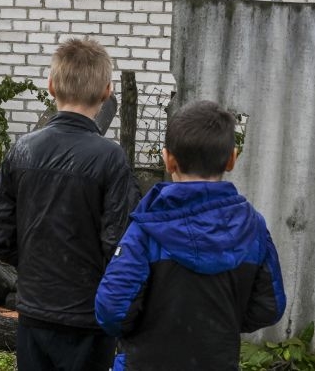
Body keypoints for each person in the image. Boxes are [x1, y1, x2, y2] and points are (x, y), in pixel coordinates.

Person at [0, 37, 140, 371]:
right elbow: (119, 244)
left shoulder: (22, 150)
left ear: (51, 86)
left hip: (35, 310)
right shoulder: (111, 158)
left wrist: (36, 259)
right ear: (107, 91)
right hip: (90, 315)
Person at [95, 100, 286, 371]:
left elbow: (112, 310)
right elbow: (269, 306)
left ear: (168, 159)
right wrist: (219, 323)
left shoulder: (146, 230)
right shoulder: (253, 229)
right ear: (232, 158)